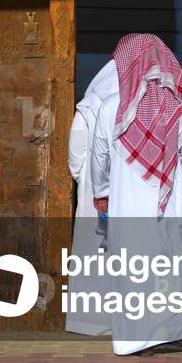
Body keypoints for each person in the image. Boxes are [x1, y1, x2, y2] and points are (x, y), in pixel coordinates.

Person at [90, 33, 182, 356]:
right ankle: (173, 333)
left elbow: (98, 156)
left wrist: (100, 192)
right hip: (169, 202)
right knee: (171, 266)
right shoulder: (175, 104)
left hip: (126, 201)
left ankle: (136, 338)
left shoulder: (111, 105)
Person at [66, 59, 118, 335]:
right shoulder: (138, 101)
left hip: (93, 188)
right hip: (125, 186)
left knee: (92, 251)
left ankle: (88, 320)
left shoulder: (89, 104)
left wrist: (84, 182)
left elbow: (77, 152)